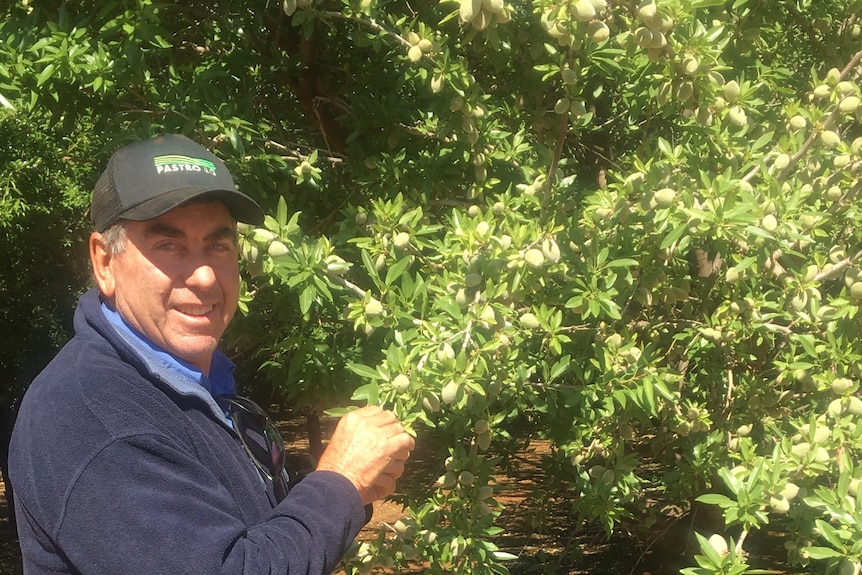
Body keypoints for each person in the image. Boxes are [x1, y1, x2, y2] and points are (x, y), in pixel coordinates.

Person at [8, 134, 415, 575]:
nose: (204, 276)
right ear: (104, 262)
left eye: (218, 246)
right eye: (169, 245)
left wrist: (342, 493)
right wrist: (340, 483)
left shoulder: (184, 385)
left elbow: (246, 534)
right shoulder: (94, 416)